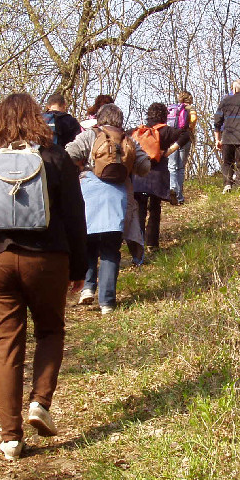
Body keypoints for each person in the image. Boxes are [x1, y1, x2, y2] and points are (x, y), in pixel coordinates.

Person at [0, 93, 88, 461]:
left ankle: (10, 438)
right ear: (37, 120)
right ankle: (40, 404)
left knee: (6, 345)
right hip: (47, 260)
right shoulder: (54, 158)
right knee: (49, 330)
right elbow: (76, 217)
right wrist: (79, 268)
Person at [65, 103, 151, 314]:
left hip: (89, 194)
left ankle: (87, 287)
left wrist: (82, 166)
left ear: (100, 119)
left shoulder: (91, 136)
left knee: (89, 244)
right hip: (117, 197)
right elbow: (145, 167)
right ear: (120, 121)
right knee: (111, 249)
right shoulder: (128, 140)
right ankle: (107, 303)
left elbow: (67, 155)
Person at [130, 103, 192, 253]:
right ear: (164, 115)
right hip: (157, 176)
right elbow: (185, 135)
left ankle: (138, 245)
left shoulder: (138, 131)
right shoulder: (166, 131)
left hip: (138, 175)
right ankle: (152, 244)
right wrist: (169, 151)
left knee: (139, 209)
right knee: (155, 209)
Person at [166, 91, 196, 205]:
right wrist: (189, 128)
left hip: (172, 137)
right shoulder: (190, 108)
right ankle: (179, 196)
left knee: (172, 166)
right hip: (185, 138)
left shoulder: (173, 108)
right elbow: (193, 119)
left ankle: (172, 189)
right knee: (181, 167)